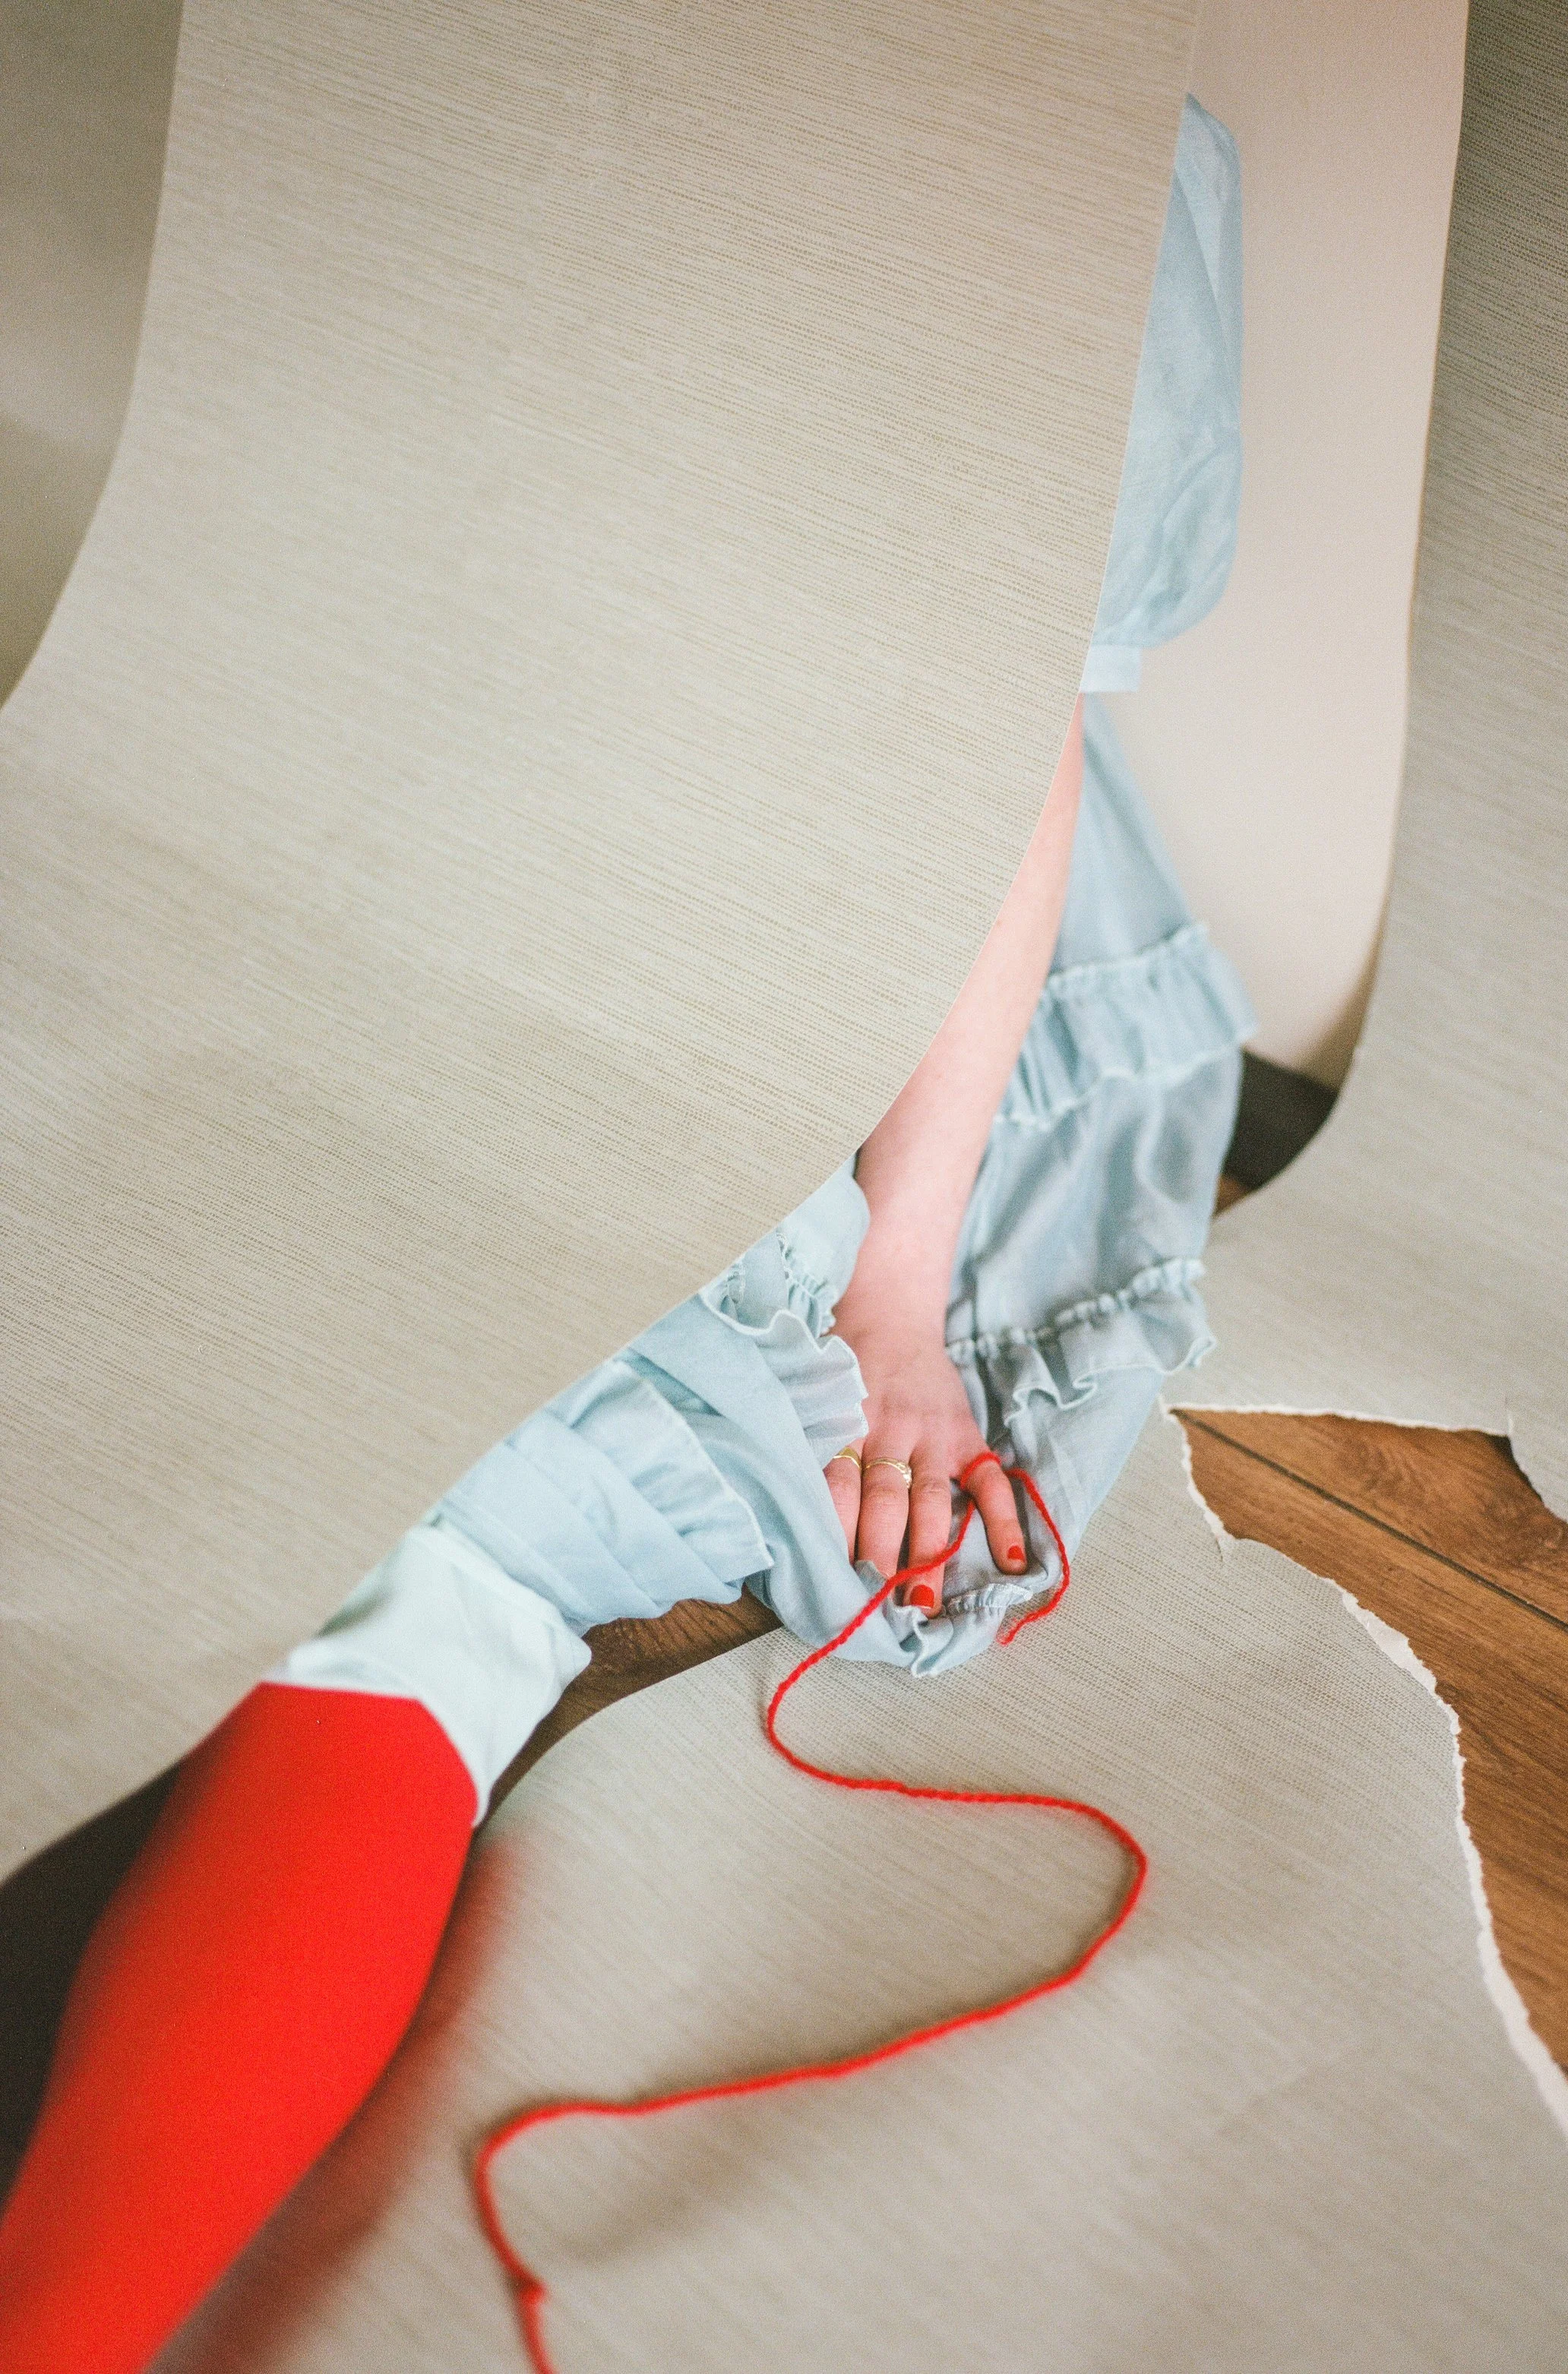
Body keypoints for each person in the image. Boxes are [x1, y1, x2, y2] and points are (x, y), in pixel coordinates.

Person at [0, 96, 1250, 2374]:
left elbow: (996, 761)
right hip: (336, 754)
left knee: (450, 1530)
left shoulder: (1037, 143)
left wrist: (897, 1290)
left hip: (765, 922)